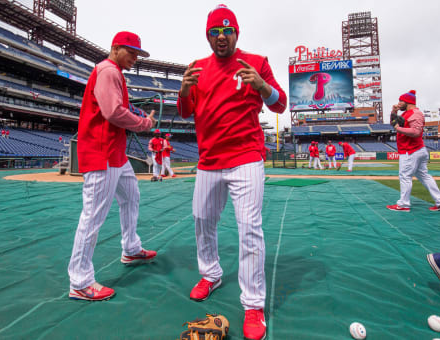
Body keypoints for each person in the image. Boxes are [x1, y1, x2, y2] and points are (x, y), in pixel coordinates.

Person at [177, 5, 287, 340]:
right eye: (215, 32)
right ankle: (210, 274)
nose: (221, 37)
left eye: (227, 31)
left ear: (236, 33)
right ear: (208, 35)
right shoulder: (197, 68)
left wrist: (263, 87)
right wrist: (182, 91)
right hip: (209, 160)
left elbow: (280, 103)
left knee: (249, 229)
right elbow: (186, 112)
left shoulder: (257, 62)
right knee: (201, 221)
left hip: (246, 157)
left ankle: (253, 304)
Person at [68, 31, 158, 302]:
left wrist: (136, 115)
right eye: (130, 52)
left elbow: (116, 109)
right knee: (92, 216)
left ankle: (131, 248)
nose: (135, 57)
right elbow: (113, 112)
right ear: (115, 48)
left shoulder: (114, 71)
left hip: (115, 154)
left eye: (137, 54)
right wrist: (143, 123)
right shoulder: (108, 70)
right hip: (101, 153)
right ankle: (80, 281)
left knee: (131, 197)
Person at [386, 90, 440, 212]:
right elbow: (393, 123)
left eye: (401, 101)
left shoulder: (415, 113)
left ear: (408, 101)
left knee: (405, 176)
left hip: (410, 151)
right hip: (415, 150)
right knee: (424, 176)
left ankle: (404, 204)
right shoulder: (407, 113)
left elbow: (416, 132)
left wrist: (399, 129)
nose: (399, 103)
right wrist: (394, 112)